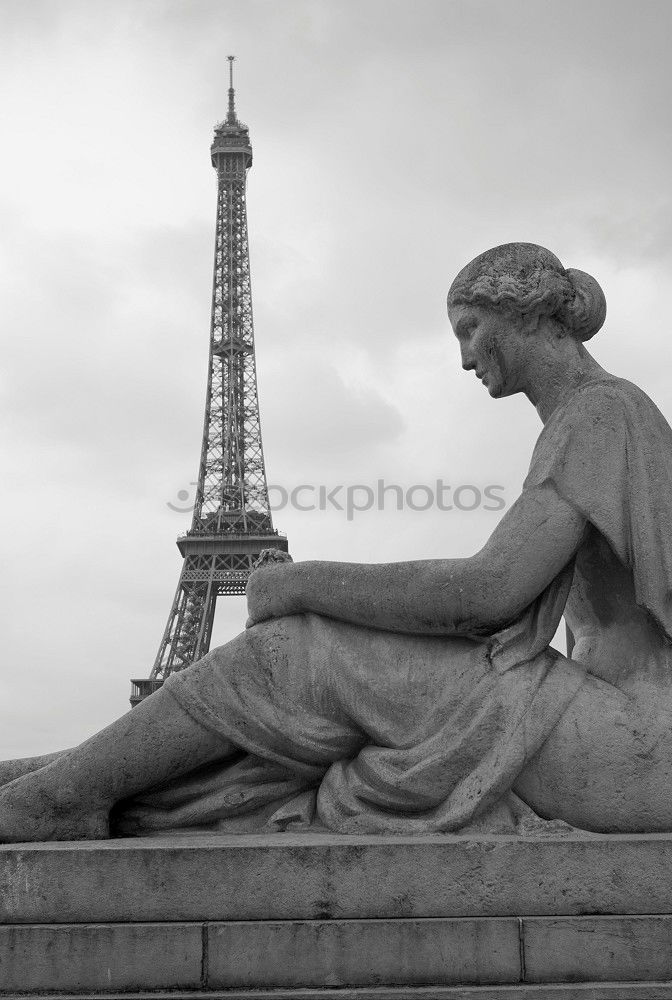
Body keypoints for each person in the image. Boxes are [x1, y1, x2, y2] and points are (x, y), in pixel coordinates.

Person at [3, 241, 672, 843]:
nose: (464, 356)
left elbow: (490, 593)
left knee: (303, 652)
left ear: (525, 315)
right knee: (315, 704)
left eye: (470, 329)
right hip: (606, 728)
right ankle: (63, 779)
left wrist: (302, 582)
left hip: (634, 748)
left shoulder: (600, 413)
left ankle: (65, 796)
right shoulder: (594, 415)